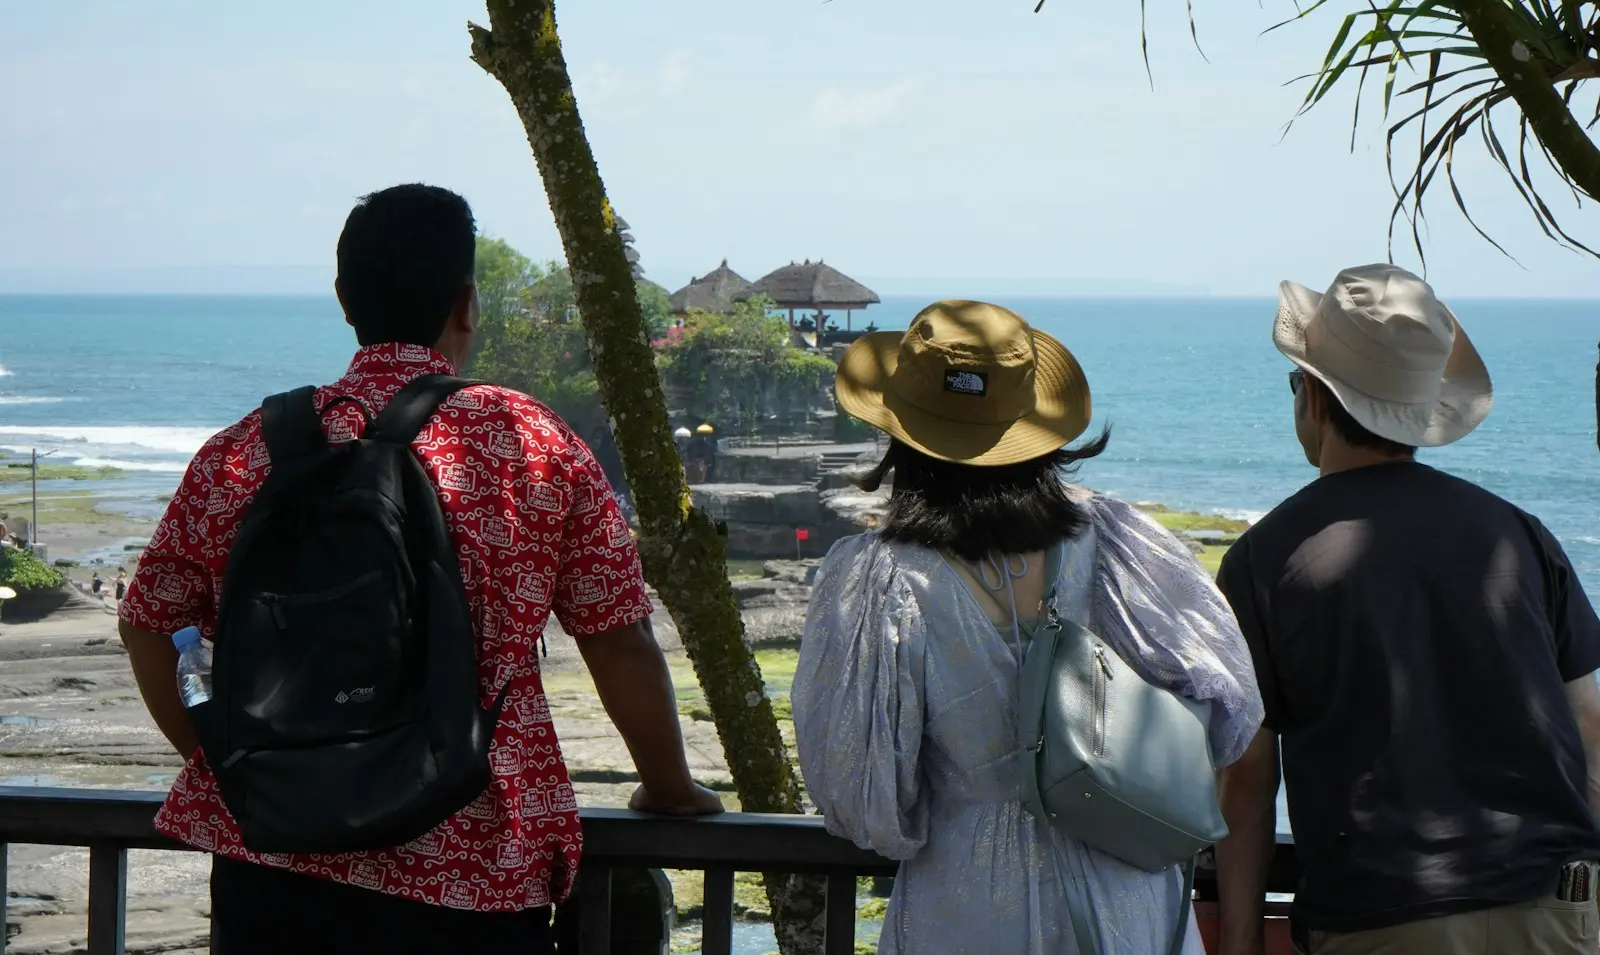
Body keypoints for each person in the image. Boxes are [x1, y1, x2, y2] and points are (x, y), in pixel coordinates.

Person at [118, 184, 721, 955]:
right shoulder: (530, 443)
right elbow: (618, 639)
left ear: (344, 299)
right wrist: (669, 787)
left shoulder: (246, 449)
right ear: (467, 304)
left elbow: (149, 623)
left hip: (272, 865)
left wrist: (235, 766)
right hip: (472, 869)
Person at [792, 299, 1264, 955]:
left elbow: (865, 799)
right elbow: (1226, 712)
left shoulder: (881, 579)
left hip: (969, 900)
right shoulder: (1121, 546)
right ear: (1032, 424)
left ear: (903, 435)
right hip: (1126, 886)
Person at [1213, 264, 1600, 955]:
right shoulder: (1519, 535)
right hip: (1553, 908)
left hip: (1381, 918)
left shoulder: (1265, 559)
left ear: (1312, 394)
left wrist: (1240, 942)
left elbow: (1246, 778)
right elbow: (1589, 730)